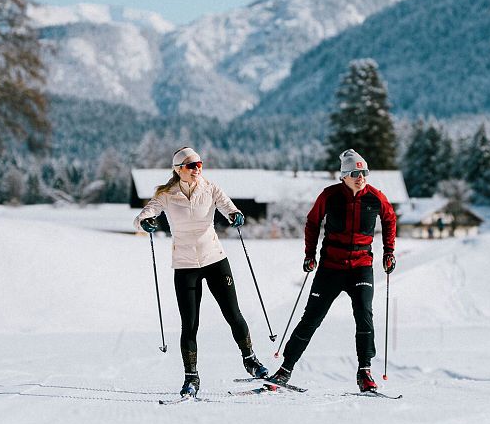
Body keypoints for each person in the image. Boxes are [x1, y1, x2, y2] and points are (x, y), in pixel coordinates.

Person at [133, 146, 268, 397]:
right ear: (178, 170)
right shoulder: (167, 194)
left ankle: (250, 360)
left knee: (233, 314)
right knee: (190, 324)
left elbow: (228, 206)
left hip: (215, 259)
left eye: (199, 164)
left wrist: (235, 215)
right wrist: (145, 221)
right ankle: (191, 377)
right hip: (185, 265)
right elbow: (145, 213)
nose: (196, 169)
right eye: (190, 166)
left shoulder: (211, 188)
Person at [270, 149, 397, 392]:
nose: (361, 177)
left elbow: (390, 219)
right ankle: (285, 370)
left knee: (364, 315)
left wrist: (389, 252)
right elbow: (312, 222)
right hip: (330, 267)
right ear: (344, 176)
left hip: (361, 267)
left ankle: (365, 373)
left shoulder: (375, 197)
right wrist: (310, 255)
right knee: (311, 318)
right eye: (355, 173)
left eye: (364, 172)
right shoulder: (329, 196)